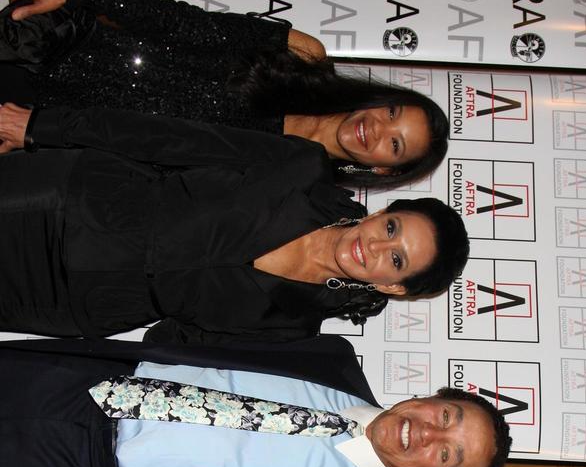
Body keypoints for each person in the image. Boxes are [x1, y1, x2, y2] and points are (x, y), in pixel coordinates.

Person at [0, 102, 468, 344]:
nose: (377, 247)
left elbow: (175, 345)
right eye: (392, 230)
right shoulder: (300, 168)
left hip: (71, 303)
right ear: (385, 213)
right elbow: (171, 139)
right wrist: (45, 127)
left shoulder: (295, 324)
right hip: (68, 203)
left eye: (397, 260)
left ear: (394, 287)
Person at [0, 333, 512, 467]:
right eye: (446, 414)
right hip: (74, 381)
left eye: (445, 453)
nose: (426, 431)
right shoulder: (329, 355)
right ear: (433, 397)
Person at [1, 0, 448, 191]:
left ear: (385, 169)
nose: (378, 129)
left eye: (394, 143)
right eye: (392, 113)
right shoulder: (305, 56)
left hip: (49, 126)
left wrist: (42, 136)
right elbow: (183, 24)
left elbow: (151, 173)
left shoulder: (291, 179)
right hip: (56, 48)